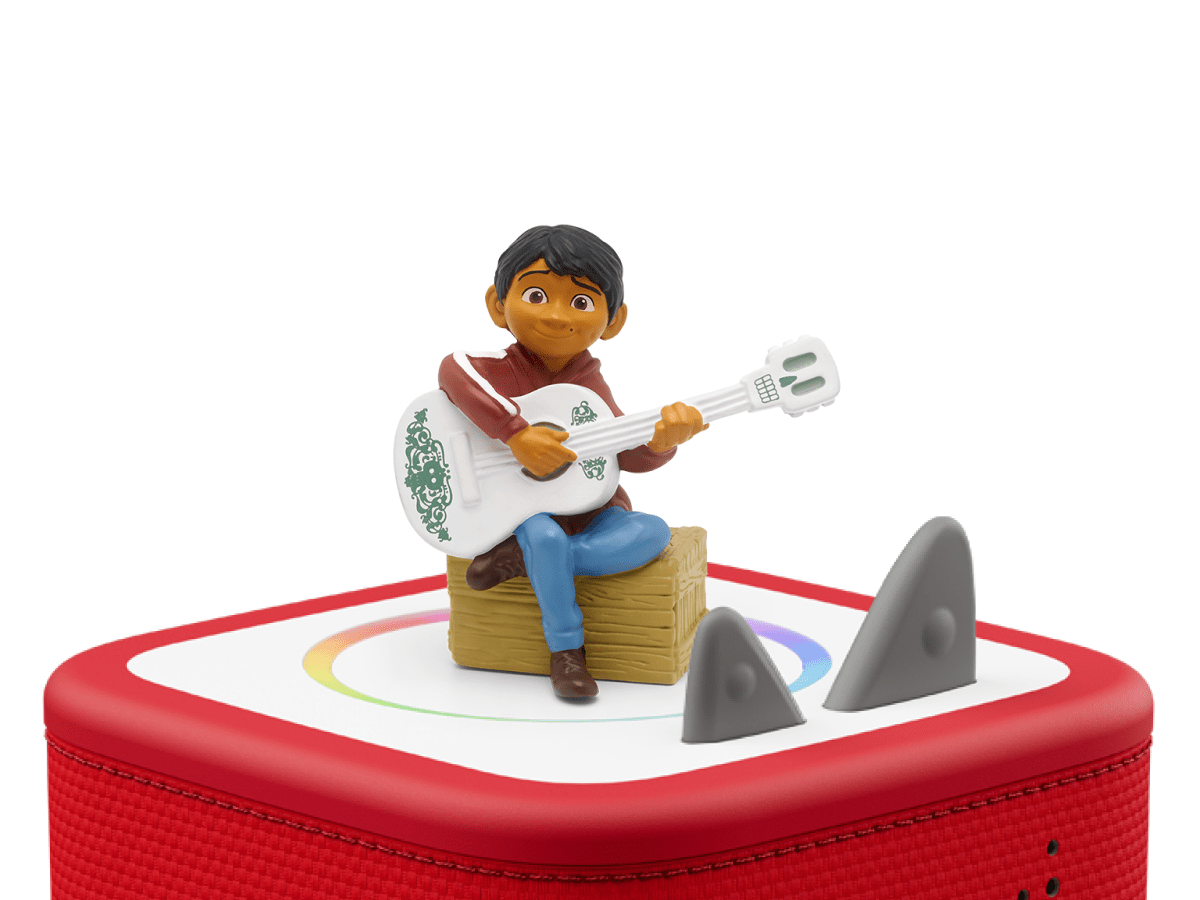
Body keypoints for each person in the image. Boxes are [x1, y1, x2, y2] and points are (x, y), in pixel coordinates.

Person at [438, 225, 706, 698]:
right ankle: (566, 653)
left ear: (614, 320)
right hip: (520, 513)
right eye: (537, 295)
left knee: (651, 533)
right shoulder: (493, 369)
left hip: (593, 513)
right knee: (543, 534)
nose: (557, 316)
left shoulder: (589, 388)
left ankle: (525, 559)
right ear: (498, 304)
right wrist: (515, 434)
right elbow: (453, 371)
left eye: (580, 302)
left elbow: (623, 454)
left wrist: (662, 441)